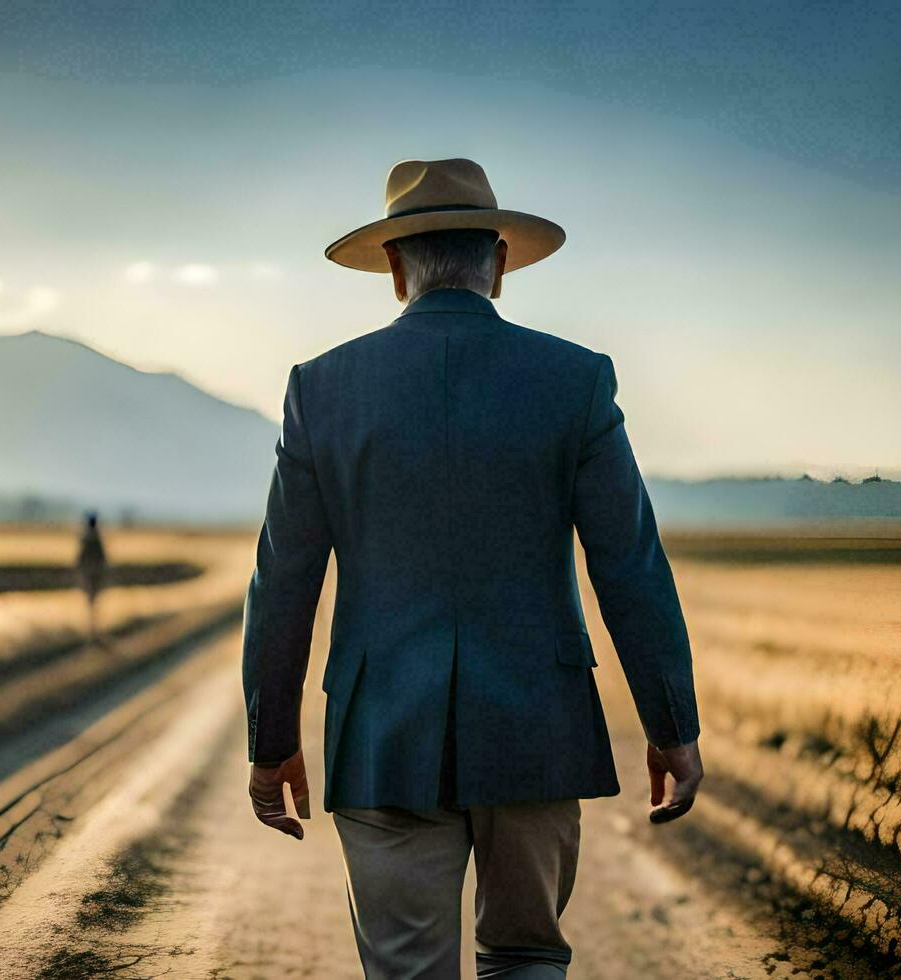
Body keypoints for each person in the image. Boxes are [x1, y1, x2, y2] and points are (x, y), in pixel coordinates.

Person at [241, 158, 704, 978]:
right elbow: (630, 563)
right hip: (538, 725)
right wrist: (672, 726)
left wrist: (270, 739)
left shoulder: (321, 389)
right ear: (497, 263)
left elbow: (284, 578)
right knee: (526, 958)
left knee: (407, 970)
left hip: (383, 734)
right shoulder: (577, 381)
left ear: (393, 270)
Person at [75, 510, 107, 641]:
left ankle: (92, 630)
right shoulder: (95, 537)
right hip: (95, 573)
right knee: (94, 602)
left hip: (89, 573)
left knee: (91, 602)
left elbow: (80, 558)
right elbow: (102, 558)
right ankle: (93, 630)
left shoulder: (85, 538)